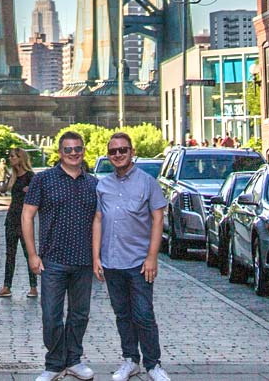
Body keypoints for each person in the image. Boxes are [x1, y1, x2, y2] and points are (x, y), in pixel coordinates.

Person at [23, 129, 101, 381]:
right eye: (68, 149)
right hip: (52, 260)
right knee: (51, 315)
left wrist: (98, 257)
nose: (73, 154)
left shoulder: (93, 183)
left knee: (79, 314)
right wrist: (32, 255)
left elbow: (99, 220)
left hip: (83, 260)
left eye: (77, 149)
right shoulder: (43, 180)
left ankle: (74, 359)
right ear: (59, 153)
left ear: (83, 151)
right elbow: (27, 215)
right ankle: (55, 363)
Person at [92, 131, 168, 381]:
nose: (118, 155)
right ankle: (130, 360)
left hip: (139, 262)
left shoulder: (147, 182)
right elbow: (98, 219)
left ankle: (153, 364)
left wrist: (152, 257)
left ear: (132, 152)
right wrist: (96, 257)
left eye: (122, 150)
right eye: (113, 151)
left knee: (144, 314)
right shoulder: (102, 184)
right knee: (122, 314)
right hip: (111, 261)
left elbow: (158, 219)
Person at [0, 147, 39, 299]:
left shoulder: (30, 176)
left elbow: (38, 195)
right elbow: (3, 188)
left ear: (20, 158)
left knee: (29, 254)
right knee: (10, 255)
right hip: (12, 218)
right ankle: (7, 286)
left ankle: (33, 287)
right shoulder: (13, 176)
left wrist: (31, 191)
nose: (10, 159)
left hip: (25, 220)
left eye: (13, 156)